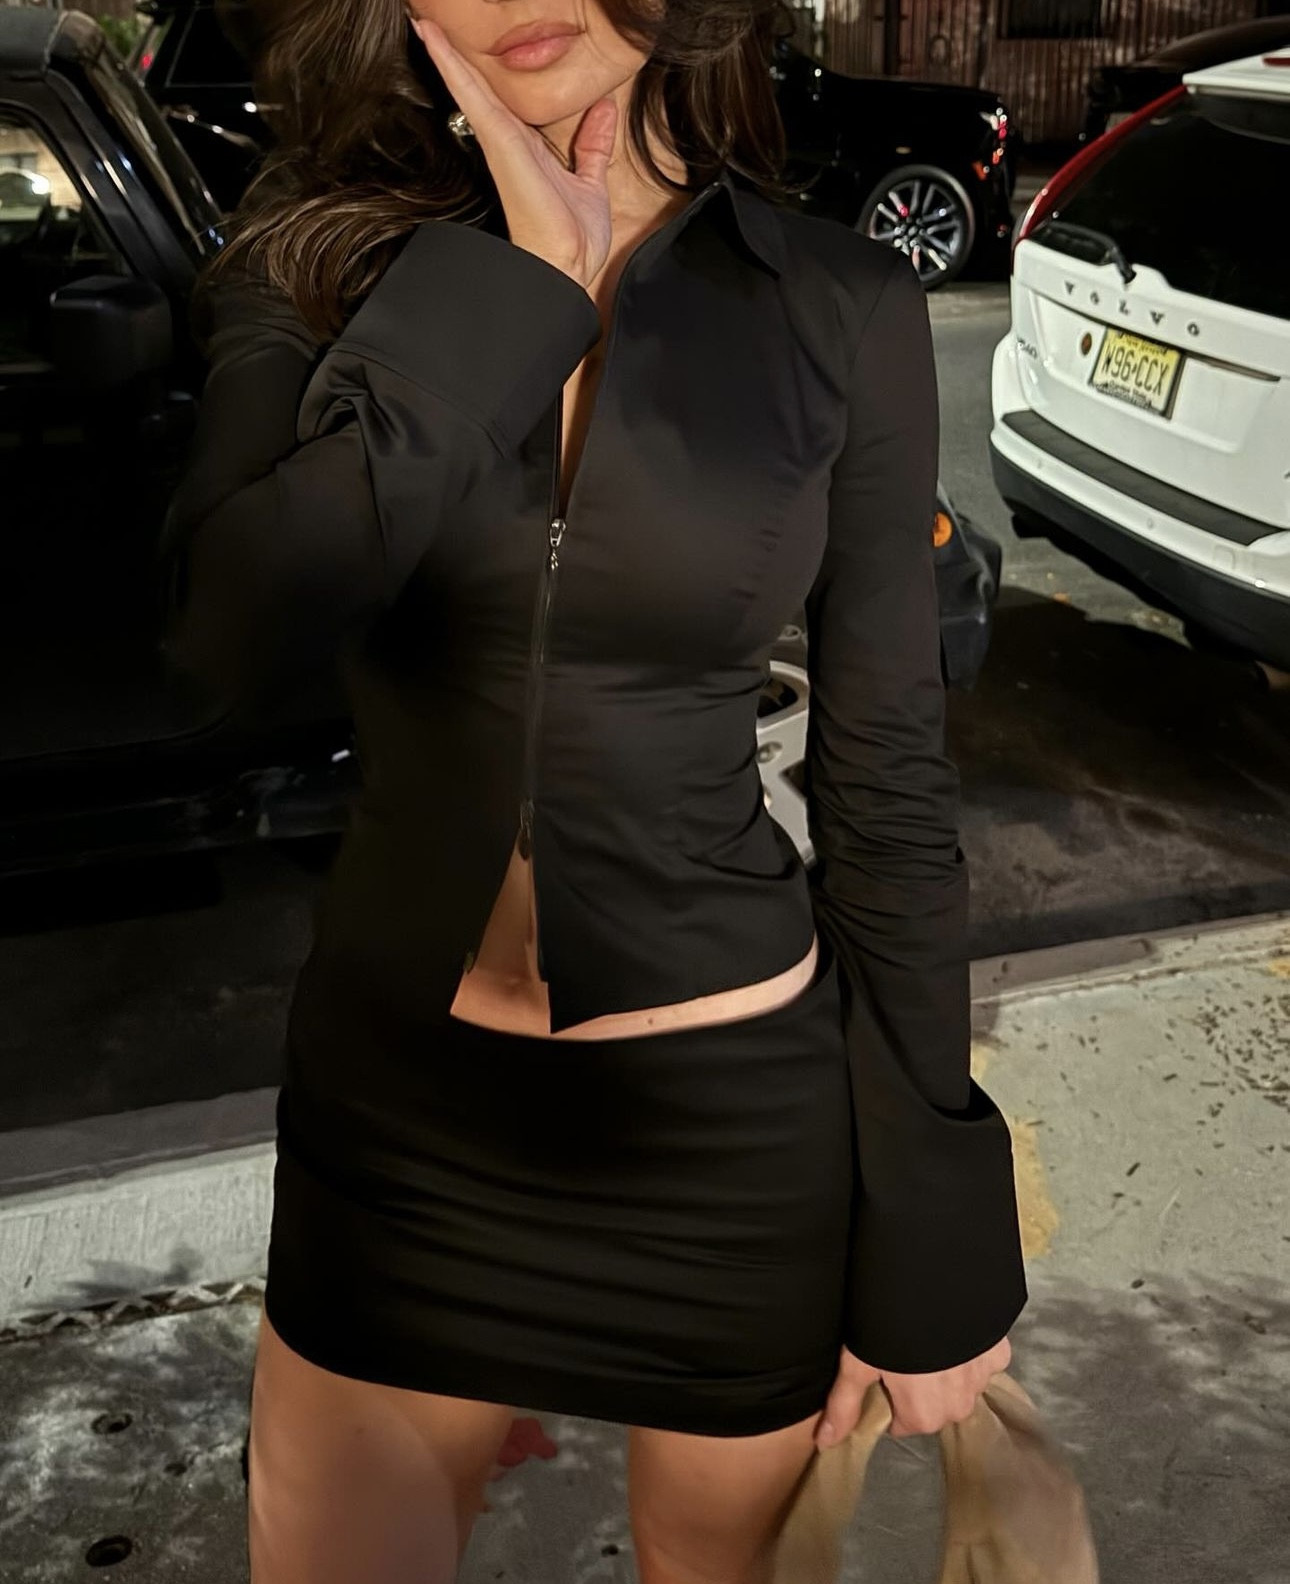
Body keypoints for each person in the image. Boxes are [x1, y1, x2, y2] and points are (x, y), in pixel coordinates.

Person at [158, 0, 1027, 1576]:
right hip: (396, 1129)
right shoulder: (320, 259)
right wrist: (521, 287)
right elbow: (231, 634)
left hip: (725, 1139)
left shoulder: (837, 299)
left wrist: (936, 1243)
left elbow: (888, 783)